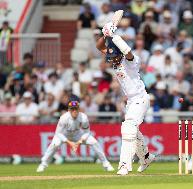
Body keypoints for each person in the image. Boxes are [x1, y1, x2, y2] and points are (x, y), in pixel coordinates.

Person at [97, 20, 155, 175]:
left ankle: (124, 165)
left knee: (127, 128)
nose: (113, 60)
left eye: (115, 57)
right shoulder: (115, 61)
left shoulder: (131, 61)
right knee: (133, 132)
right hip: (131, 102)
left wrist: (114, 36)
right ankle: (146, 158)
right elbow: (99, 46)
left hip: (140, 99)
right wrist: (105, 34)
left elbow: (127, 51)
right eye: (111, 58)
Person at [36, 101, 114, 173]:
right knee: (55, 144)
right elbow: (58, 133)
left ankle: (106, 164)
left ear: (78, 109)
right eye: (72, 109)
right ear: (69, 110)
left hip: (77, 134)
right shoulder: (64, 118)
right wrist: (70, 143)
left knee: (94, 142)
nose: (74, 111)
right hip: (64, 134)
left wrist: (79, 142)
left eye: (76, 109)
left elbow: (87, 132)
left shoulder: (83, 117)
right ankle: (43, 164)